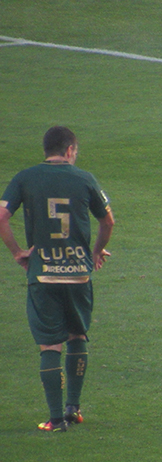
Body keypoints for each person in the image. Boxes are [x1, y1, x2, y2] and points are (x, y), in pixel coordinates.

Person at [0, 126, 115, 432]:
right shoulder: (85, 179)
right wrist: (96, 251)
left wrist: (17, 252)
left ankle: (55, 419)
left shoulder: (25, 178)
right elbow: (108, 221)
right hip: (78, 274)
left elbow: (1, 216)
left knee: (50, 345)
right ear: (69, 150)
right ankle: (73, 408)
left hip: (43, 274)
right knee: (77, 335)